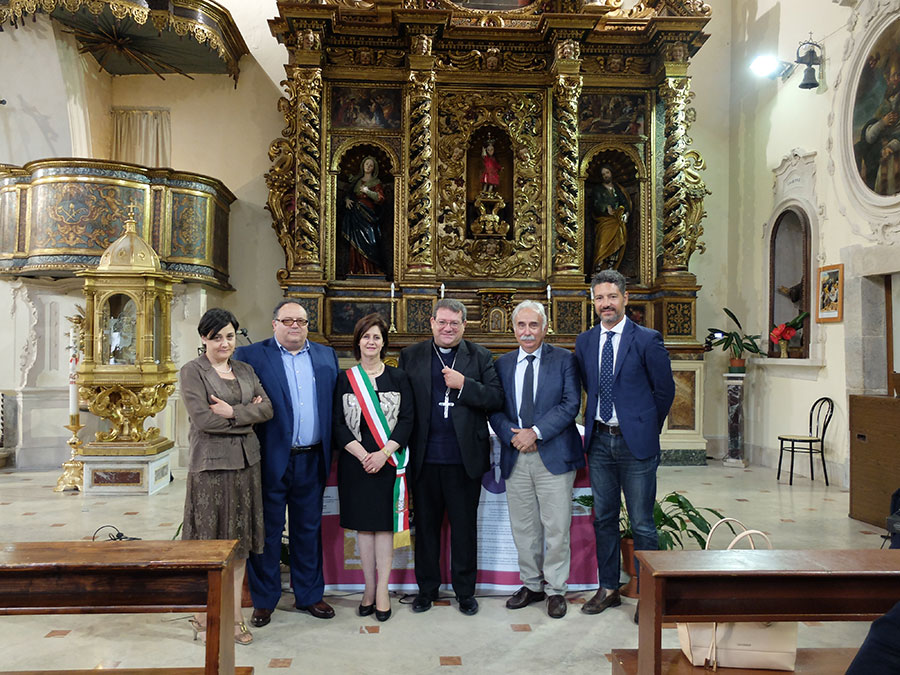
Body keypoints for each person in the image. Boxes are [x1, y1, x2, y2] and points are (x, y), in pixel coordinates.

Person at [575, 269, 674, 619]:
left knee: (643, 522)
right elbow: (589, 386)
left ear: (625, 298)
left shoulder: (647, 339)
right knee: (603, 518)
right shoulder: (585, 341)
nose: (606, 304)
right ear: (593, 301)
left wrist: (645, 428)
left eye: (612, 297)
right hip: (600, 441)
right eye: (600, 298)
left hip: (636, 446)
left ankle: (649, 595)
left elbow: (665, 391)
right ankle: (608, 588)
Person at [234, 300, 339, 627]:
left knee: (308, 531)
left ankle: (309, 595)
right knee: (266, 533)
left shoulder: (325, 356)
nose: (295, 326)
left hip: (312, 458)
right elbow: (242, 402)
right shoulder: (251, 357)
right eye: (288, 320)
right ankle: (264, 600)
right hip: (270, 460)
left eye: (302, 321)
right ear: (274, 323)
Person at [398, 298, 504, 616]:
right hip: (424, 459)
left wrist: (465, 385)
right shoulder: (411, 356)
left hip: (463, 459)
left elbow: (496, 398)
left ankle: (465, 591)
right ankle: (426, 590)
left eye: (454, 323)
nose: (447, 328)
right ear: (431, 322)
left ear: (464, 326)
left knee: (463, 528)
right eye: (442, 322)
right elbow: (401, 404)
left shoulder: (481, 356)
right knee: (427, 528)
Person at [179, 308, 273, 645]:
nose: (224, 342)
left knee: (240, 544)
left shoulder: (246, 370)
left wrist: (233, 412)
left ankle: (234, 618)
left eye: (229, 336)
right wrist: (248, 416)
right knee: (210, 543)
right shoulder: (193, 372)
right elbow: (204, 420)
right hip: (211, 467)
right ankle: (204, 615)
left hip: (247, 466)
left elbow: (268, 409)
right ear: (204, 338)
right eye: (217, 337)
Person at [489, 301, 584, 619]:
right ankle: (531, 585)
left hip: (553, 455)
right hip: (516, 455)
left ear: (545, 327)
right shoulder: (501, 364)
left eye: (533, 325)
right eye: (521, 325)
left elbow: (571, 404)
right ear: (513, 328)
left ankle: (557, 589)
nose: (527, 331)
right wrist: (512, 435)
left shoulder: (565, 360)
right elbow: (494, 407)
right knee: (524, 527)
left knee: (556, 528)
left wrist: (536, 432)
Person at [333, 313, 414, 622]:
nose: (371, 342)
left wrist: (382, 454)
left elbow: (407, 420)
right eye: (366, 336)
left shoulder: (399, 378)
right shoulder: (345, 378)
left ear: (384, 343)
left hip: (388, 462)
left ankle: (382, 590)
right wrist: (362, 454)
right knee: (364, 527)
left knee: (384, 526)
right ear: (358, 342)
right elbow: (338, 425)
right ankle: (367, 588)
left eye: (376, 337)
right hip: (356, 464)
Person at [342, 156, 386, 275]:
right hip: (356, 214)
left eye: (371, 165)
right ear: (362, 165)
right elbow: (348, 194)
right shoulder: (357, 181)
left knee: (371, 241)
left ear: (374, 168)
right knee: (355, 242)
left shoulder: (376, 182)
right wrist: (347, 200)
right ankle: (356, 269)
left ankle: (371, 270)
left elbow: (380, 198)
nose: (368, 166)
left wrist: (367, 192)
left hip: (369, 215)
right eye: (366, 164)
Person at [590, 165, 630, 271]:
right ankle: (599, 265)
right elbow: (594, 204)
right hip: (604, 221)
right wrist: (605, 207)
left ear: (611, 173)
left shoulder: (617, 188)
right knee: (602, 243)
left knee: (618, 240)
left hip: (616, 220)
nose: (605, 176)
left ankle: (611, 266)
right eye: (603, 174)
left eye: (607, 173)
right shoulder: (598, 189)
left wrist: (626, 213)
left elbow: (625, 203)